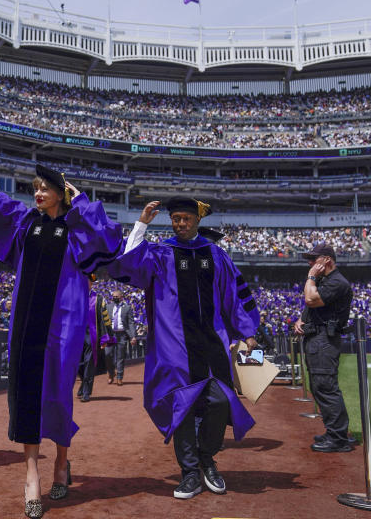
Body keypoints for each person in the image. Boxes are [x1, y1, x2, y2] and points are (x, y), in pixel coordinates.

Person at [0, 130, 123, 518]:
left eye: (44, 189)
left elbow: (108, 239)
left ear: (60, 193)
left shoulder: (75, 229)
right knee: (27, 395)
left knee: (57, 393)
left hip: (64, 325)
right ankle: (32, 474)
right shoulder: (26, 221)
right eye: (35, 187)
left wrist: (82, 200)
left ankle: (61, 461)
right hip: (25, 323)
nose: (37, 193)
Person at [106, 198, 259, 500]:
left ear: (197, 221)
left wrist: (247, 332)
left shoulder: (216, 255)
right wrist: (142, 224)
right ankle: (190, 472)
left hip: (211, 343)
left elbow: (234, 295)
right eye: (176, 218)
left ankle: (207, 458)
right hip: (174, 346)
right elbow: (127, 264)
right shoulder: (162, 253)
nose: (180, 224)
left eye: (186, 219)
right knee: (184, 409)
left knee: (219, 402)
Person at [293, 244, 354, 453]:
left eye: (314, 259)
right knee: (319, 386)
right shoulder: (325, 280)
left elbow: (311, 299)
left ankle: (338, 438)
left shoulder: (337, 281)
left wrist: (310, 276)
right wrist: (300, 320)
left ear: (327, 260)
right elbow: (310, 307)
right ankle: (334, 432)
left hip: (324, 340)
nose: (310, 263)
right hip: (317, 337)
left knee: (326, 386)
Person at [76, 286, 105, 402]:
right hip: (76, 335)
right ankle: (83, 383)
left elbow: (103, 319)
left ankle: (86, 392)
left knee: (89, 363)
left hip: (91, 335)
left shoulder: (97, 299)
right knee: (78, 365)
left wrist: (104, 338)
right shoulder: (74, 296)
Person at [109, 290, 135, 385]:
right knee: (108, 355)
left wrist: (133, 336)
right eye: (113, 296)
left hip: (122, 335)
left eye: (116, 296)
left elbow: (131, 323)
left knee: (120, 357)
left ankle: (119, 377)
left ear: (121, 297)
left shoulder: (127, 308)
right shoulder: (108, 306)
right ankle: (111, 373)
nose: (114, 297)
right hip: (111, 335)